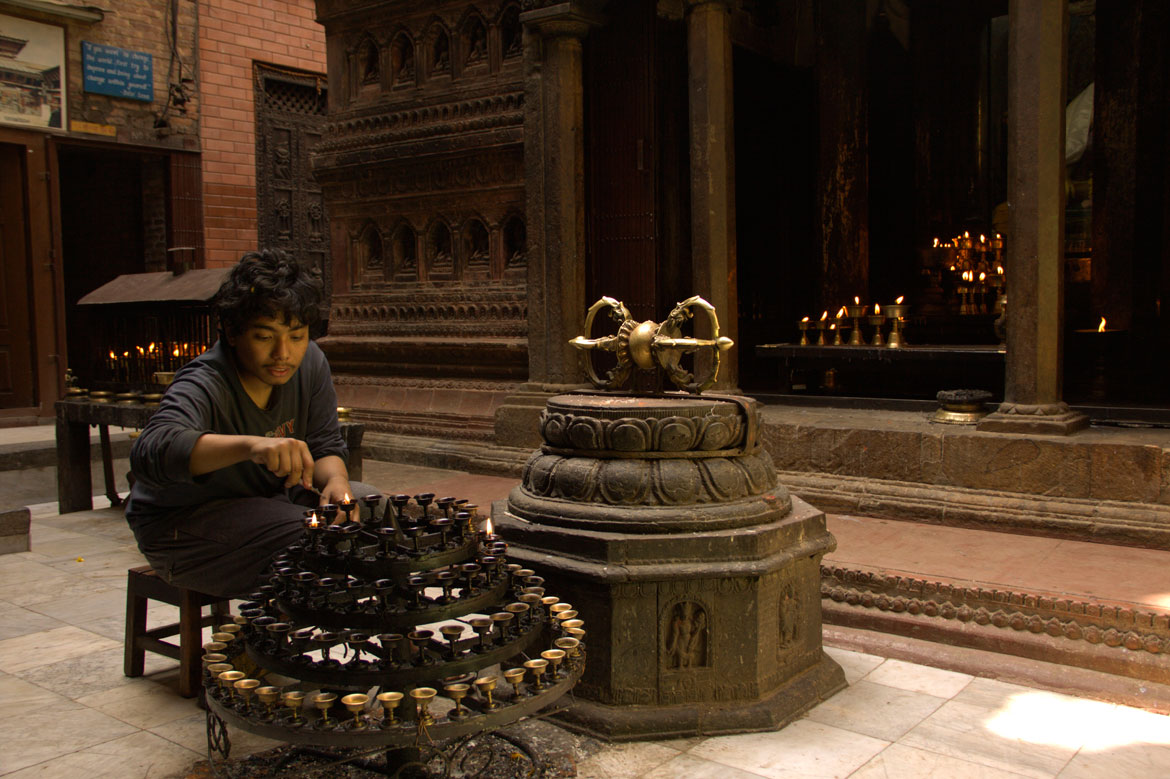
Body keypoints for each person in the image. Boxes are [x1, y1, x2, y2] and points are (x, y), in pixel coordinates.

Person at [125, 249, 372, 598]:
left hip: (267, 502)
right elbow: (152, 451)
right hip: (181, 529)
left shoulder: (311, 363)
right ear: (231, 331)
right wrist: (252, 445)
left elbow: (324, 444)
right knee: (321, 540)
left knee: (378, 510)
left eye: (296, 336)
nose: (283, 353)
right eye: (264, 336)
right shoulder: (205, 382)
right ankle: (260, 648)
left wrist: (336, 481)